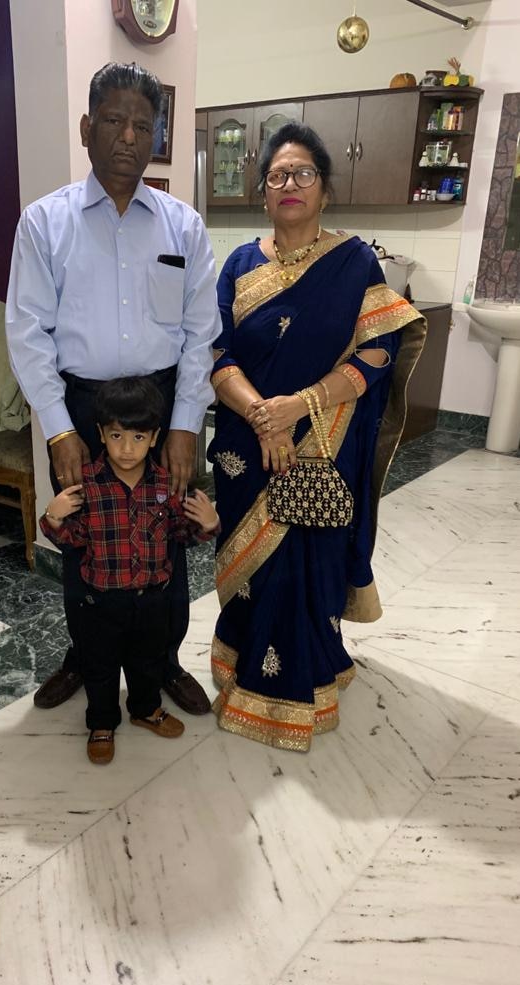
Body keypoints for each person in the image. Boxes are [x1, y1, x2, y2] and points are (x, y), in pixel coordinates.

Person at [6, 62, 220, 715]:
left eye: (141, 124)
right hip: (80, 407)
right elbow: (26, 330)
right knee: (84, 535)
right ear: (85, 127)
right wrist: (57, 425)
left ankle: (162, 661)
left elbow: (200, 331)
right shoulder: (44, 224)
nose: (127, 135)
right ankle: (87, 654)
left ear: (157, 135)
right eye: (112, 120)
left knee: (169, 533)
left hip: (163, 406)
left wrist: (185, 422)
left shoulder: (182, 226)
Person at [207, 122, 426, 752]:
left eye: (303, 174)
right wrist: (261, 416)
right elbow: (217, 354)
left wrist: (297, 407)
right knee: (251, 566)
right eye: (277, 175)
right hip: (246, 446)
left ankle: (304, 681)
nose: (290, 184)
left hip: (324, 441)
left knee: (308, 562)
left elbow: (380, 351)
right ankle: (241, 672)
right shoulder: (241, 265)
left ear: (325, 191)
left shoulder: (354, 261)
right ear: (264, 192)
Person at [40, 377, 220, 764]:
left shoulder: (165, 484)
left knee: (148, 661)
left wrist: (206, 523)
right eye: (117, 436)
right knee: (100, 667)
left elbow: (179, 535)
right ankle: (102, 722)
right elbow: (72, 538)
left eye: (138, 438)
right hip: (100, 600)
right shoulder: (87, 485)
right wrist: (53, 518)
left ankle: (145, 709)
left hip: (151, 598)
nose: (126, 448)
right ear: (101, 434)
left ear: (155, 437)